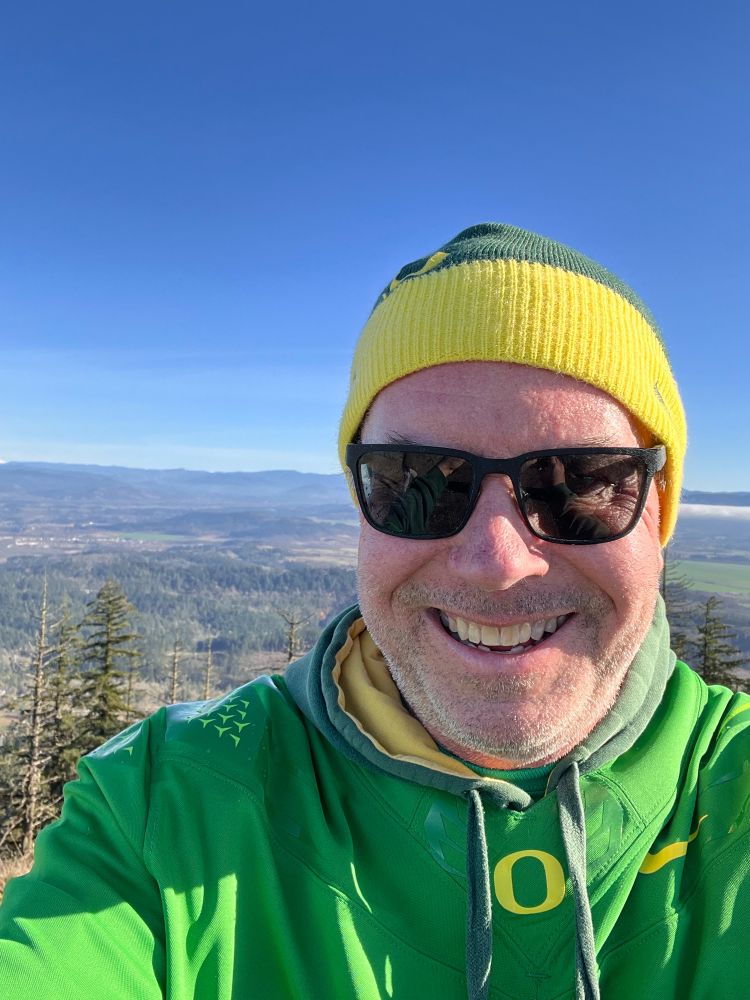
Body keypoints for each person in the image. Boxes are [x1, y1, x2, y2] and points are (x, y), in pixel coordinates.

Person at [0, 222, 747, 1000]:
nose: (497, 561)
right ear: (361, 501)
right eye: (420, 480)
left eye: (583, 482)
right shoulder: (161, 807)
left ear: (658, 510)